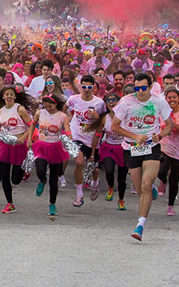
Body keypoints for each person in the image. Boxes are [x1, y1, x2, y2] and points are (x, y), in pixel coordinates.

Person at [112, 72, 174, 241]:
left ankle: (140, 226)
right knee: (141, 189)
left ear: (150, 86)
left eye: (143, 88)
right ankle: (151, 191)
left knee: (146, 184)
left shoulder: (158, 102)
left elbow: (170, 125)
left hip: (151, 147)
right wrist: (134, 137)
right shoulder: (126, 102)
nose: (139, 91)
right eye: (137, 88)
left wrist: (159, 136)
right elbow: (114, 126)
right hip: (131, 148)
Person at [0, 85, 35, 214]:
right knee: (4, 176)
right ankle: (9, 203)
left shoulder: (20, 109)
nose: (9, 97)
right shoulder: (0, 111)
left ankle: (23, 172)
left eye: (11, 94)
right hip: (4, 145)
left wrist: (25, 137)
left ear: (15, 96)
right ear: (3, 96)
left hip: (19, 145)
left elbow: (31, 125)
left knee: (15, 179)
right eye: (7, 94)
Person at [67, 74, 107, 206]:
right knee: (79, 162)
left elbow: (104, 121)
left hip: (92, 139)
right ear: (80, 87)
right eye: (84, 86)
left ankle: (95, 182)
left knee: (93, 167)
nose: (86, 89)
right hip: (77, 136)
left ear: (94, 87)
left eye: (89, 87)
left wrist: (97, 116)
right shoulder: (73, 99)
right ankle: (79, 194)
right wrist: (67, 124)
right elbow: (64, 110)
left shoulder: (99, 103)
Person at [29, 94, 70, 217]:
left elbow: (67, 129)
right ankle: (42, 180)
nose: (48, 109)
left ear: (56, 104)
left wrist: (69, 136)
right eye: (46, 106)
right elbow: (33, 124)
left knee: (54, 179)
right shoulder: (40, 113)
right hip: (41, 145)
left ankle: (52, 203)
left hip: (56, 147)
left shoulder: (62, 116)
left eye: (50, 106)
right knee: (40, 169)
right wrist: (30, 138)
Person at [156, 87, 179, 216]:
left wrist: (174, 125)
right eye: (169, 97)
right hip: (164, 146)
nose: (172, 100)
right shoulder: (162, 112)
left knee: (174, 179)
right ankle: (163, 180)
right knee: (161, 171)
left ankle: (170, 205)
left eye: (174, 97)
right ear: (166, 99)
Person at [98, 93, 128, 210]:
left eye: (113, 100)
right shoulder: (105, 118)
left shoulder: (125, 117)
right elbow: (98, 134)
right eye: (108, 101)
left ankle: (121, 199)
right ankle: (111, 186)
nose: (111, 103)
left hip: (122, 148)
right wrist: (94, 151)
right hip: (108, 147)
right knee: (109, 170)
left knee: (122, 177)